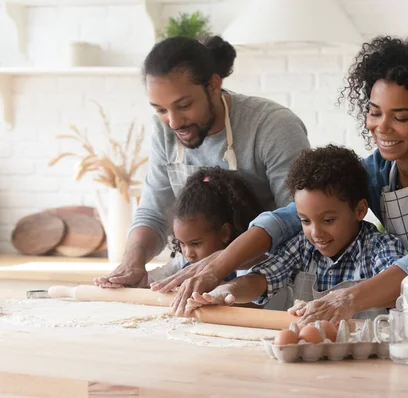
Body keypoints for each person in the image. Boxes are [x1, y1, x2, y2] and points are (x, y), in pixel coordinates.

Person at [165, 34, 408, 335]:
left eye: (400, 117)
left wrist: (349, 298)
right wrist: (218, 267)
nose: (381, 128)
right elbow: (286, 219)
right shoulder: (376, 171)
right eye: (374, 112)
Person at [94, 35, 310, 289]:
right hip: (202, 281)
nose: (173, 122)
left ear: (214, 85)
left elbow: (301, 217)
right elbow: (154, 211)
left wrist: (225, 261)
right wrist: (133, 261)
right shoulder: (165, 131)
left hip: (272, 283)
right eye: (161, 110)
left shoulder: (273, 126)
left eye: (183, 105)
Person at [185, 145, 406, 325]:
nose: (316, 233)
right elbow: (262, 279)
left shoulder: (381, 248)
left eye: (328, 220)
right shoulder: (302, 246)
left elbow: (399, 291)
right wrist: (225, 291)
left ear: (359, 210)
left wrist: (348, 301)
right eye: (305, 220)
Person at [145, 167, 265, 286]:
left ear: (225, 233)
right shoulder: (184, 262)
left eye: (196, 244)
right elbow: (151, 280)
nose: (188, 253)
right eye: (182, 243)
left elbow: (248, 299)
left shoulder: (244, 265)